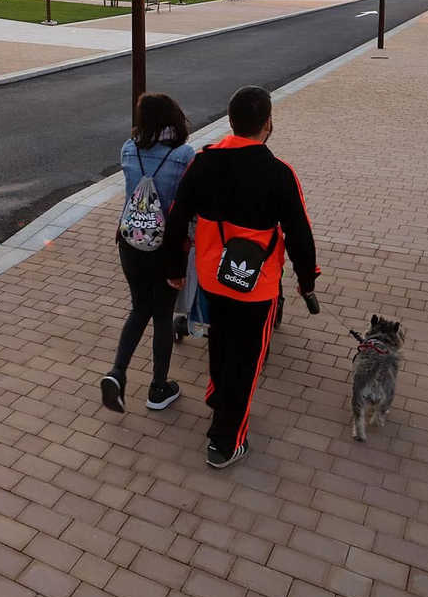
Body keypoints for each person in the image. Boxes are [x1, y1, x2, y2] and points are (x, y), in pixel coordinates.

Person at [163, 86, 319, 468]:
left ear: (230, 121)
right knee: (248, 359)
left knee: (221, 337)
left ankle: (218, 395)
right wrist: (306, 278)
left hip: (214, 276)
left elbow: (178, 214)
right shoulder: (280, 173)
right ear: (268, 124)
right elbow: (299, 232)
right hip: (257, 284)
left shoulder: (204, 161)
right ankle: (225, 441)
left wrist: (173, 269)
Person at [102, 93, 196, 415]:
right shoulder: (184, 154)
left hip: (131, 241)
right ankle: (158, 388)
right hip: (165, 247)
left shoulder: (129, 149)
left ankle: (117, 373)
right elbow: (187, 209)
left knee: (139, 307)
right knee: (162, 315)